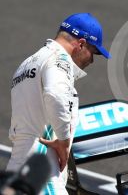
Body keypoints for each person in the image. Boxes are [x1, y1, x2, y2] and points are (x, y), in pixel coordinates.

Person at [6, 13, 111, 194]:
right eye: (94, 53)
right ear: (81, 44)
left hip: (20, 162)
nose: (92, 60)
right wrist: (63, 141)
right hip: (41, 166)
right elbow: (55, 95)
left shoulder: (27, 64)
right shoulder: (58, 59)